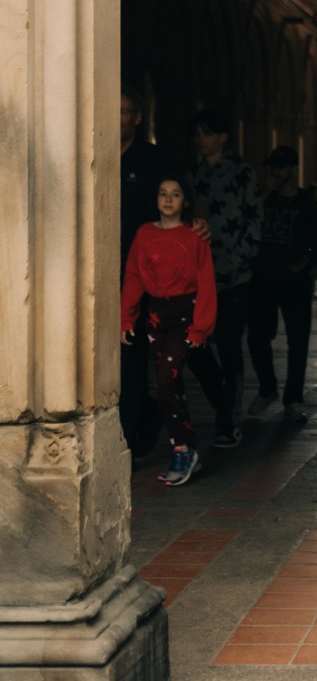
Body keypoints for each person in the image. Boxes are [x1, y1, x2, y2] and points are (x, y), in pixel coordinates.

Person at [121, 176, 217, 488]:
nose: (168, 199)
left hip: (184, 315)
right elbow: (134, 276)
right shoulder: (144, 234)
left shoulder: (195, 236)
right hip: (155, 317)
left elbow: (206, 282)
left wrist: (201, 328)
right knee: (167, 383)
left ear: (185, 201)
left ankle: (183, 449)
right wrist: (126, 318)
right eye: (162, 193)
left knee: (166, 380)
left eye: (176, 194)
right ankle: (188, 450)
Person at [189, 107, 262, 450]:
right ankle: (221, 400)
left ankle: (227, 421)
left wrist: (238, 261)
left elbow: (253, 221)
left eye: (206, 133)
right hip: (199, 277)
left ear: (222, 137)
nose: (200, 139)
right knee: (195, 347)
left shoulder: (241, 173)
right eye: (197, 133)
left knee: (231, 348)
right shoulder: (192, 177)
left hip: (234, 277)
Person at [246, 147, 317, 425]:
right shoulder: (263, 199)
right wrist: (264, 194)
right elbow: (247, 221)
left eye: (279, 168)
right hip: (264, 277)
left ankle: (292, 399)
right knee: (257, 336)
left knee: (298, 340)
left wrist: (304, 261)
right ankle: (267, 388)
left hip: (294, 282)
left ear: (292, 169)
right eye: (271, 168)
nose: (274, 173)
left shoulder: (307, 204)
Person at [119, 85, 176, 456]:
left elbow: (174, 212)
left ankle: (128, 438)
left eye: (123, 111)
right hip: (95, 272)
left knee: (132, 357)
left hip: (140, 277)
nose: (115, 118)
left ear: (138, 118)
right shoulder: (91, 152)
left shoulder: (154, 162)